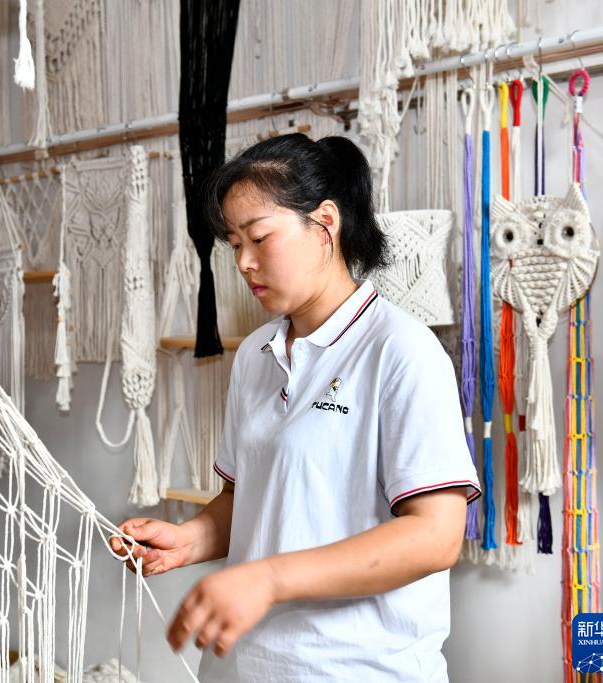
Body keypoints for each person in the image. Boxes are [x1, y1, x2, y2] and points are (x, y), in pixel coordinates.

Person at [111, 134, 481, 682]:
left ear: (325, 223)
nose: (244, 262)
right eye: (234, 244)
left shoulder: (400, 351)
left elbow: (435, 537)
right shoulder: (255, 356)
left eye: (259, 238)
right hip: (245, 667)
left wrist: (268, 579)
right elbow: (250, 501)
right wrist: (187, 540)